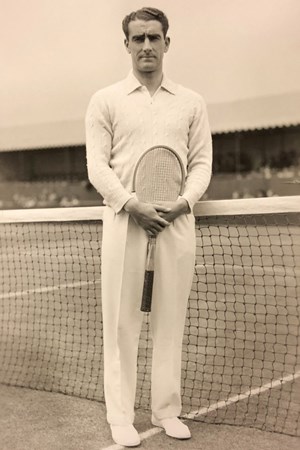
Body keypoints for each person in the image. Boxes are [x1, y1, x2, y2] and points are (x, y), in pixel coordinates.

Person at [85, 7, 212, 447]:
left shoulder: (192, 102)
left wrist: (182, 203)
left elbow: (200, 164)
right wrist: (131, 204)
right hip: (125, 221)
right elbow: (97, 166)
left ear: (167, 43)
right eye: (137, 39)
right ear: (126, 45)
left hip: (176, 222)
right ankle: (120, 417)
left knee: (169, 322)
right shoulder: (105, 100)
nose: (146, 47)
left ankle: (166, 411)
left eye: (153, 38)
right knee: (121, 324)